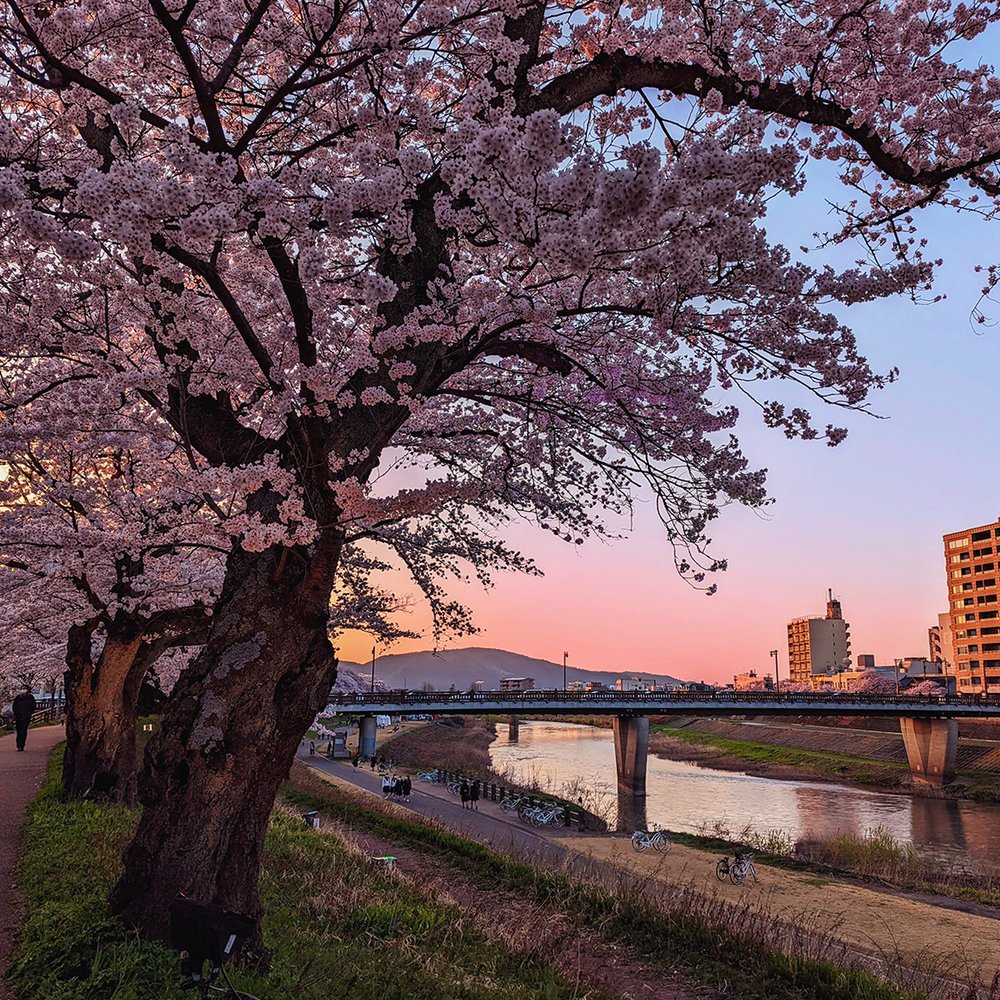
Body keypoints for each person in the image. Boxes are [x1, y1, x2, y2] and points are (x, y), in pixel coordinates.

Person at [12, 687, 36, 752]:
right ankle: (18, 745)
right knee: (19, 731)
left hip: (26, 717)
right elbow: (14, 706)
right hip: (18, 717)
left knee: (23, 730)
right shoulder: (18, 698)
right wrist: (16, 714)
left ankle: (21, 745)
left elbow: (33, 706)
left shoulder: (30, 697)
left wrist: (29, 713)